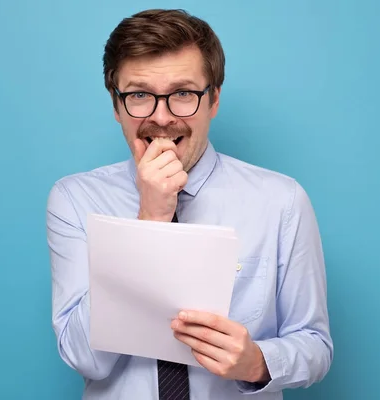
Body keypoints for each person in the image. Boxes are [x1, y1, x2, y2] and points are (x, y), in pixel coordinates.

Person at [46, 8, 333, 399]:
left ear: (213, 99)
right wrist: (150, 219)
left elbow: (315, 344)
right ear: (116, 106)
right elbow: (85, 358)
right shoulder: (75, 200)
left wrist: (257, 361)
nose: (162, 118)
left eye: (183, 94)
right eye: (140, 95)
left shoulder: (282, 201)